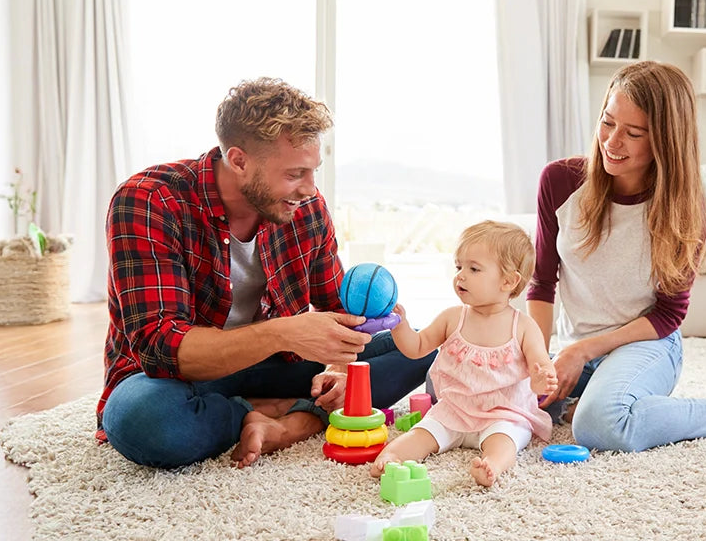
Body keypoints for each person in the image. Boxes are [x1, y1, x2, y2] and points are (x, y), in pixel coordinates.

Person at [99, 77, 434, 469]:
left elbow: (338, 310)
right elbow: (160, 347)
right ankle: (286, 414)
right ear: (239, 160)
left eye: (313, 172)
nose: (310, 189)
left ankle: (285, 422)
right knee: (144, 420)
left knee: (424, 346)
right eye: (294, 174)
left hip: (281, 365)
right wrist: (285, 332)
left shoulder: (305, 207)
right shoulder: (149, 200)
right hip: (181, 380)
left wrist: (339, 367)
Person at [529, 61, 706, 453]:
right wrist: (538, 362)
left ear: (665, 140)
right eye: (608, 122)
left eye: (634, 133)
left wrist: (583, 350)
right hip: (574, 347)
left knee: (599, 425)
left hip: (647, 346)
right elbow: (543, 283)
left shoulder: (684, 208)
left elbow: (668, 315)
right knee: (478, 389)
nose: (612, 142)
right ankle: (580, 402)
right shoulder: (560, 181)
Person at [370, 221, 558, 487]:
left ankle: (492, 465)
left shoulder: (524, 326)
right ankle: (392, 456)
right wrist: (401, 325)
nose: (461, 276)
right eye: (459, 267)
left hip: (503, 413)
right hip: (453, 410)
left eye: (474, 269)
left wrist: (541, 380)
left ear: (508, 281)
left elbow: (542, 366)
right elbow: (416, 348)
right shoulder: (452, 318)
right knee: (421, 432)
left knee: (506, 440)